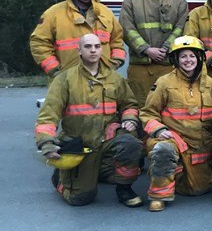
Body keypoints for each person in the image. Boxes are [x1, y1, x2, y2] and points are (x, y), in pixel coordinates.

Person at [35, 33, 143, 207]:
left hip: (107, 140)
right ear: (79, 50)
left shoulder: (115, 79)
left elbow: (130, 104)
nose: (93, 50)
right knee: (81, 198)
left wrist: (129, 117)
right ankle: (60, 178)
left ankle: (124, 188)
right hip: (81, 145)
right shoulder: (64, 80)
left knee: (131, 144)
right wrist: (46, 142)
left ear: (102, 50)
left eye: (97, 46)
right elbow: (48, 115)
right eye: (88, 46)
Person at [141, 35, 212, 212]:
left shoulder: (210, 84)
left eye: (192, 56)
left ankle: (176, 171)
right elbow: (147, 113)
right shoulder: (164, 83)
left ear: (199, 58)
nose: (188, 60)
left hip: (199, 145)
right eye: (183, 56)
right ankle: (158, 196)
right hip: (171, 139)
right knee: (164, 151)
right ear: (176, 59)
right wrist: (159, 130)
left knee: (197, 189)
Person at [30, 0, 125, 76]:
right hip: (68, 82)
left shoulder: (105, 13)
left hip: (103, 80)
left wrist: (115, 62)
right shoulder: (53, 14)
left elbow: (117, 40)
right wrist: (55, 71)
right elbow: (39, 43)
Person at [119, 0, 189, 105]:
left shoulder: (179, 1)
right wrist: (146, 49)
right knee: (138, 107)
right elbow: (127, 29)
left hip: (167, 65)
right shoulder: (131, 1)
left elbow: (180, 28)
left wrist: (165, 49)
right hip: (139, 67)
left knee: (168, 107)